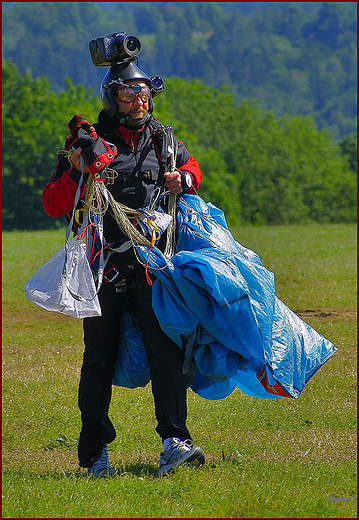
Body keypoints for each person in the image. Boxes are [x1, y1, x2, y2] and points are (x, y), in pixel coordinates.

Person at [42, 58, 204, 477]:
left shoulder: (163, 141)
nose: (138, 101)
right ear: (112, 100)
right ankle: (94, 453)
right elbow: (52, 202)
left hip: (152, 266)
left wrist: (182, 180)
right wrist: (79, 170)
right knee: (98, 357)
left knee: (167, 351)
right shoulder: (88, 144)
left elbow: (191, 169)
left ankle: (175, 440)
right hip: (103, 268)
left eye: (144, 93)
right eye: (128, 94)